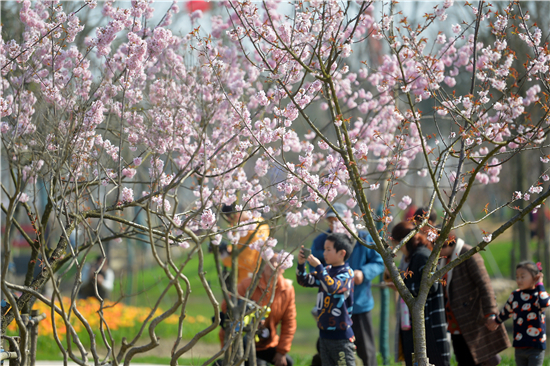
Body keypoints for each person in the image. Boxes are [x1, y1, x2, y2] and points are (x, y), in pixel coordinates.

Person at [309, 202, 384, 366]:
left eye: (337, 220)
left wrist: (364, 273)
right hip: (332, 310)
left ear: (347, 219)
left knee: (366, 351)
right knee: (331, 353)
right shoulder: (322, 241)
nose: (333, 225)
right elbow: (312, 268)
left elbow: (379, 262)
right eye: (330, 221)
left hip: (359, 304)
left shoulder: (363, 238)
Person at [439, 233, 510, 366]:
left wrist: (490, 313)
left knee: (480, 359)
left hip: (473, 318)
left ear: (448, 243)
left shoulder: (468, 253)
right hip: (455, 321)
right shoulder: (443, 259)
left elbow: (485, 285)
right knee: (463, 359)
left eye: (438, 248)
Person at [219, 253, 297, 366]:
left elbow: (289, 323)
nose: (274, 265)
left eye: (278, 262)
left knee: (287, 363)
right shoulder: (248, 284)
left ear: (283, 268)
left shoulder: (287, 290)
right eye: (270, 261)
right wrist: (247, 312)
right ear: (262, 265)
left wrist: (282, 351)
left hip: (267, 342)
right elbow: (226, 305)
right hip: (242, 339)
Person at [391, 222, 450, 366]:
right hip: (417, 325)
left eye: (396, 243)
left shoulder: (422, 256)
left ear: (403, 241)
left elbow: (433, 286)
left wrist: (404, 288)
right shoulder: (412, 258)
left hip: (429, 326)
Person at [297, 233, 356, 366]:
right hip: (324, 335)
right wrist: (301, 264)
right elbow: (304, 281)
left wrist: (318, 267)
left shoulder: (347, 273)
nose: (324, 253)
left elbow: (332, 287)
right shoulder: (327, 270)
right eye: (324, 249)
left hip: (341, 337)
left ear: (342, 253)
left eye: (328, 249)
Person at [487, 261, 549, 366]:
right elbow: (506, 311)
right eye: (517, 277)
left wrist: (540, 284)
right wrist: (496, 321)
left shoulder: (539, 295)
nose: (519, 280)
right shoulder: (515, 295)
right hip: (519, 346)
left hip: (536, 347)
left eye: (522, 277)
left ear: (535, 278)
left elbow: (544, 303)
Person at [221, 204, 270, 285]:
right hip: (257, 276)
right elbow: (243, 250)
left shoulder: (248, 231)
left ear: (237, 213)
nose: (230, 220)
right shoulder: (260, 221)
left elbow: (247, 261)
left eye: (230, 217)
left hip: (246, 280)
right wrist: (229, 250)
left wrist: (225, 259)